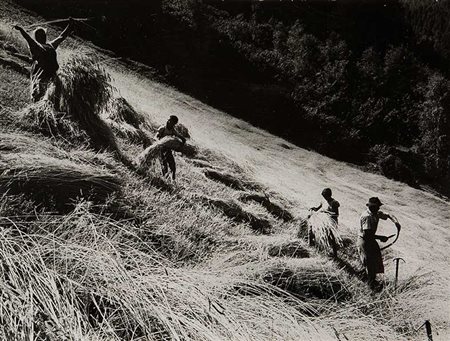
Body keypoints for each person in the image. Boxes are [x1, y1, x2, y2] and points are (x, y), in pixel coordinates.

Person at [13, 18, 74, 102]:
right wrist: (70, 25)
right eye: (43, 35)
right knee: (44, 94)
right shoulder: (45, 46)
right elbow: (61, 37)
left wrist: (21, 29)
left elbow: (61, 36)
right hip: (46, 74)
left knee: (44, 95)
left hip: (46, 74)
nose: (44, 36)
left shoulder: (42, 46)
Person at [357, 197, 400, 291]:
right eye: (377, 207)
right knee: (370, 264)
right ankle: (370, 287)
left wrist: (396, 222)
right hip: (364, 241)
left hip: (371, 240)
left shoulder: (375, 213)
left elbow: (388, 215)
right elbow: (367, 235)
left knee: (376, 262)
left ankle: (371, 280)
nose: (379, 208)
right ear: (371, 206)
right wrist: (381, 237)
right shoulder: (367, 217)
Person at [310, 188, 340, 257]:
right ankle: (322, 250)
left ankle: (335, 254)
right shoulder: (323, 201)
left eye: (325, 196)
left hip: (331, 222)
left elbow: (336, 214)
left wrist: (327, 212)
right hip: (323, 221)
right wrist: (314, 208)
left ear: (329, 195)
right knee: (321, 235)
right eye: (323, 196)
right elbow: (318, 208)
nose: (324, 198)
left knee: (332, 237)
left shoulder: (334, 203)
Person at [156, 115, 186, 180]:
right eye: (168, 120)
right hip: (160, 149)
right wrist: (158, 142)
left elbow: (180, 137)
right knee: (164, 165)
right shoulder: (162, 128)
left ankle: (173, 179)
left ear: (174, 124)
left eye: (171, 121)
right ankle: (165, 179)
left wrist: (182, 142)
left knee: (173, 166)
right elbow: (156, 136)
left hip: (168, 150)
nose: (168, 121)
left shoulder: (173, 131)